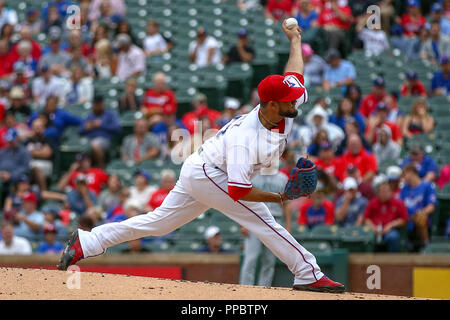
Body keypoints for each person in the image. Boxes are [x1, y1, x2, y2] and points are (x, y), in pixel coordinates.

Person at [58, 20, 346, 293]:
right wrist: (281, 197)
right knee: (263, 219)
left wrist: (295, 40)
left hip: (201, 167)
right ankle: (308, 272)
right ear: (270, 104)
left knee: (160, 223)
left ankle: (89, 240)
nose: (294, 100)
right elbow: (238, 191)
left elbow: (294, 74)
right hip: (211, 173)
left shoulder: (285, 102)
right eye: (287, 99)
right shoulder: (245, 140)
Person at [240, 169, 290, 287]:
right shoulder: (252, 176)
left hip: (275, 220)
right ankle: (244, 289)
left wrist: (287, 226)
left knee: (269, 260)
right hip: (254, 219)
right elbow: (244, 200)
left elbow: (287, 205)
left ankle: (264, 289)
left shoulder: (283, 178)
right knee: (250, 258)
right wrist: (243, 223)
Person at [363, 180, 408, 252]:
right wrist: (373, 228)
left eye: (386, 191)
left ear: (391, 192)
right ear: (378, 193)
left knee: (393, 237)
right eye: (382, 191)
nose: (384, 194)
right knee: (367, 238)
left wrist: (391, 225)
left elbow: (404, 219)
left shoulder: (398, 203)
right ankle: (368, 261)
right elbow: (366, 219)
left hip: (391, 230)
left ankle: (393, 261)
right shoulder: (373, 202)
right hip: (375, 230)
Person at [400, 164, 437, 251]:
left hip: (421, 218)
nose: (403, 177)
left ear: (411, 173)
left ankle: (426, 244)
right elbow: (400, 206)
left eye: (404, 174)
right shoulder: (404, 189)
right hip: (407, 218)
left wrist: (421, 212)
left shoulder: (427, 186)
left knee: (420, 217)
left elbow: (431, 206)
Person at [79, 94, 121, 168]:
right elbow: (80, 130)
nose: (97, 106)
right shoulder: (89, 116)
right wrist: (87, 127)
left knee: (95, 145)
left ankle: (101, 167)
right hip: (89, 139)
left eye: (99, 104)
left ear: (102, 104)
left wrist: (101, 125)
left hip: (105, 139)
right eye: (95, 104)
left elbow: (117, 128)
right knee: (83, 145)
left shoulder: (110, 115)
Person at [24, 118, 55, 190]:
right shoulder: (27, 140)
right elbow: (23, 153)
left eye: (39, 127)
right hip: (29, 163)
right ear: (32, 128)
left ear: (44, 128)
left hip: (45, 163)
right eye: (35, 127)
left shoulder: (48, 139)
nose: (37, 129)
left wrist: (31, 152)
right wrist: (40, 151)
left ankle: (43, 191)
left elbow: (47, 154)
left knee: (35, 167)